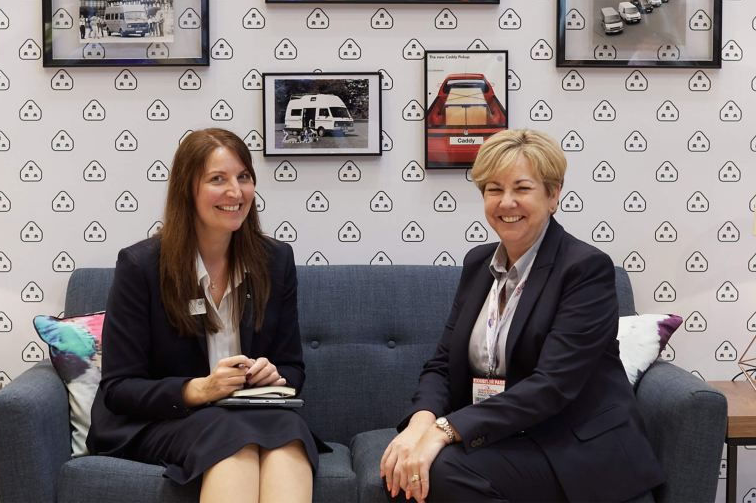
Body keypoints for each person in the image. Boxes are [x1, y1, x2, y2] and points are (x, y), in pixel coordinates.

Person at [380, 129, 664, 503]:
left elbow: (553, 385)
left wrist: (446, 430)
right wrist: (419, 426)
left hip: (573, 444)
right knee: (406, 469)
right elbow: (442, 365)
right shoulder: (478, 263)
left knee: (440, 472)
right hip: (507, 436)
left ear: (553, 196)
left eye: (522, 188)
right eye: (494, 189)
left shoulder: (585, 269)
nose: (506, 202)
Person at [87, 128, 323, 503]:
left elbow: (294, 369)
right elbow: (119, 388)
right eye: (218, 179)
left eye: (243, 177)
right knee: (233, 440)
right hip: (163, 420)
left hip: (251, 414)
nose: (236, 192)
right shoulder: (141, 266)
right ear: (187, 189)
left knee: (290, 435)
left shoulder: (275, 261)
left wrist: (273, 375)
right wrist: (199, 389)